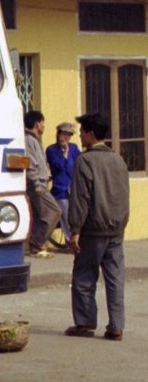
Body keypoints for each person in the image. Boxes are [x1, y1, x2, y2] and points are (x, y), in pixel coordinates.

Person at [64, 112, 129, 341]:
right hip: (116, 229)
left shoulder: (85, 161)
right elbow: (123, 195)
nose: (79, 135)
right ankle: (116, 326)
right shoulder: (118, 159)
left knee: (83, 277)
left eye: (82, 131)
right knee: (115, 279)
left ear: (90, 134)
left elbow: (80, 199)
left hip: (92, 230)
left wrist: (75, 231)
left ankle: (85, 322)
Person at [23, 110, 62, 257]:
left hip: (41, 182)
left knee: (41, 216)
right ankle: (37, 241)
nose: (44, 126)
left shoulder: (34, 139)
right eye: (43, 122)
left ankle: (36, 245)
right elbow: (31, 163)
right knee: (54, 211)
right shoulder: (28, 140)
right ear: (37, 123)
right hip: (36, 184)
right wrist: (36, 183)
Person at [46, 121, 80, 245]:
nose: (66, 138)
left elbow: (79, 162)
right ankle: (69, 242)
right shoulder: (52, 150)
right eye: (64, 134)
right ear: (58, 134)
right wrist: (65, 153)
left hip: (73, 188)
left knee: (75, 216)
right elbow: (58, 166)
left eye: (69, 135)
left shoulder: (74, 148)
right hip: (60, 189)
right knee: (65, 216)